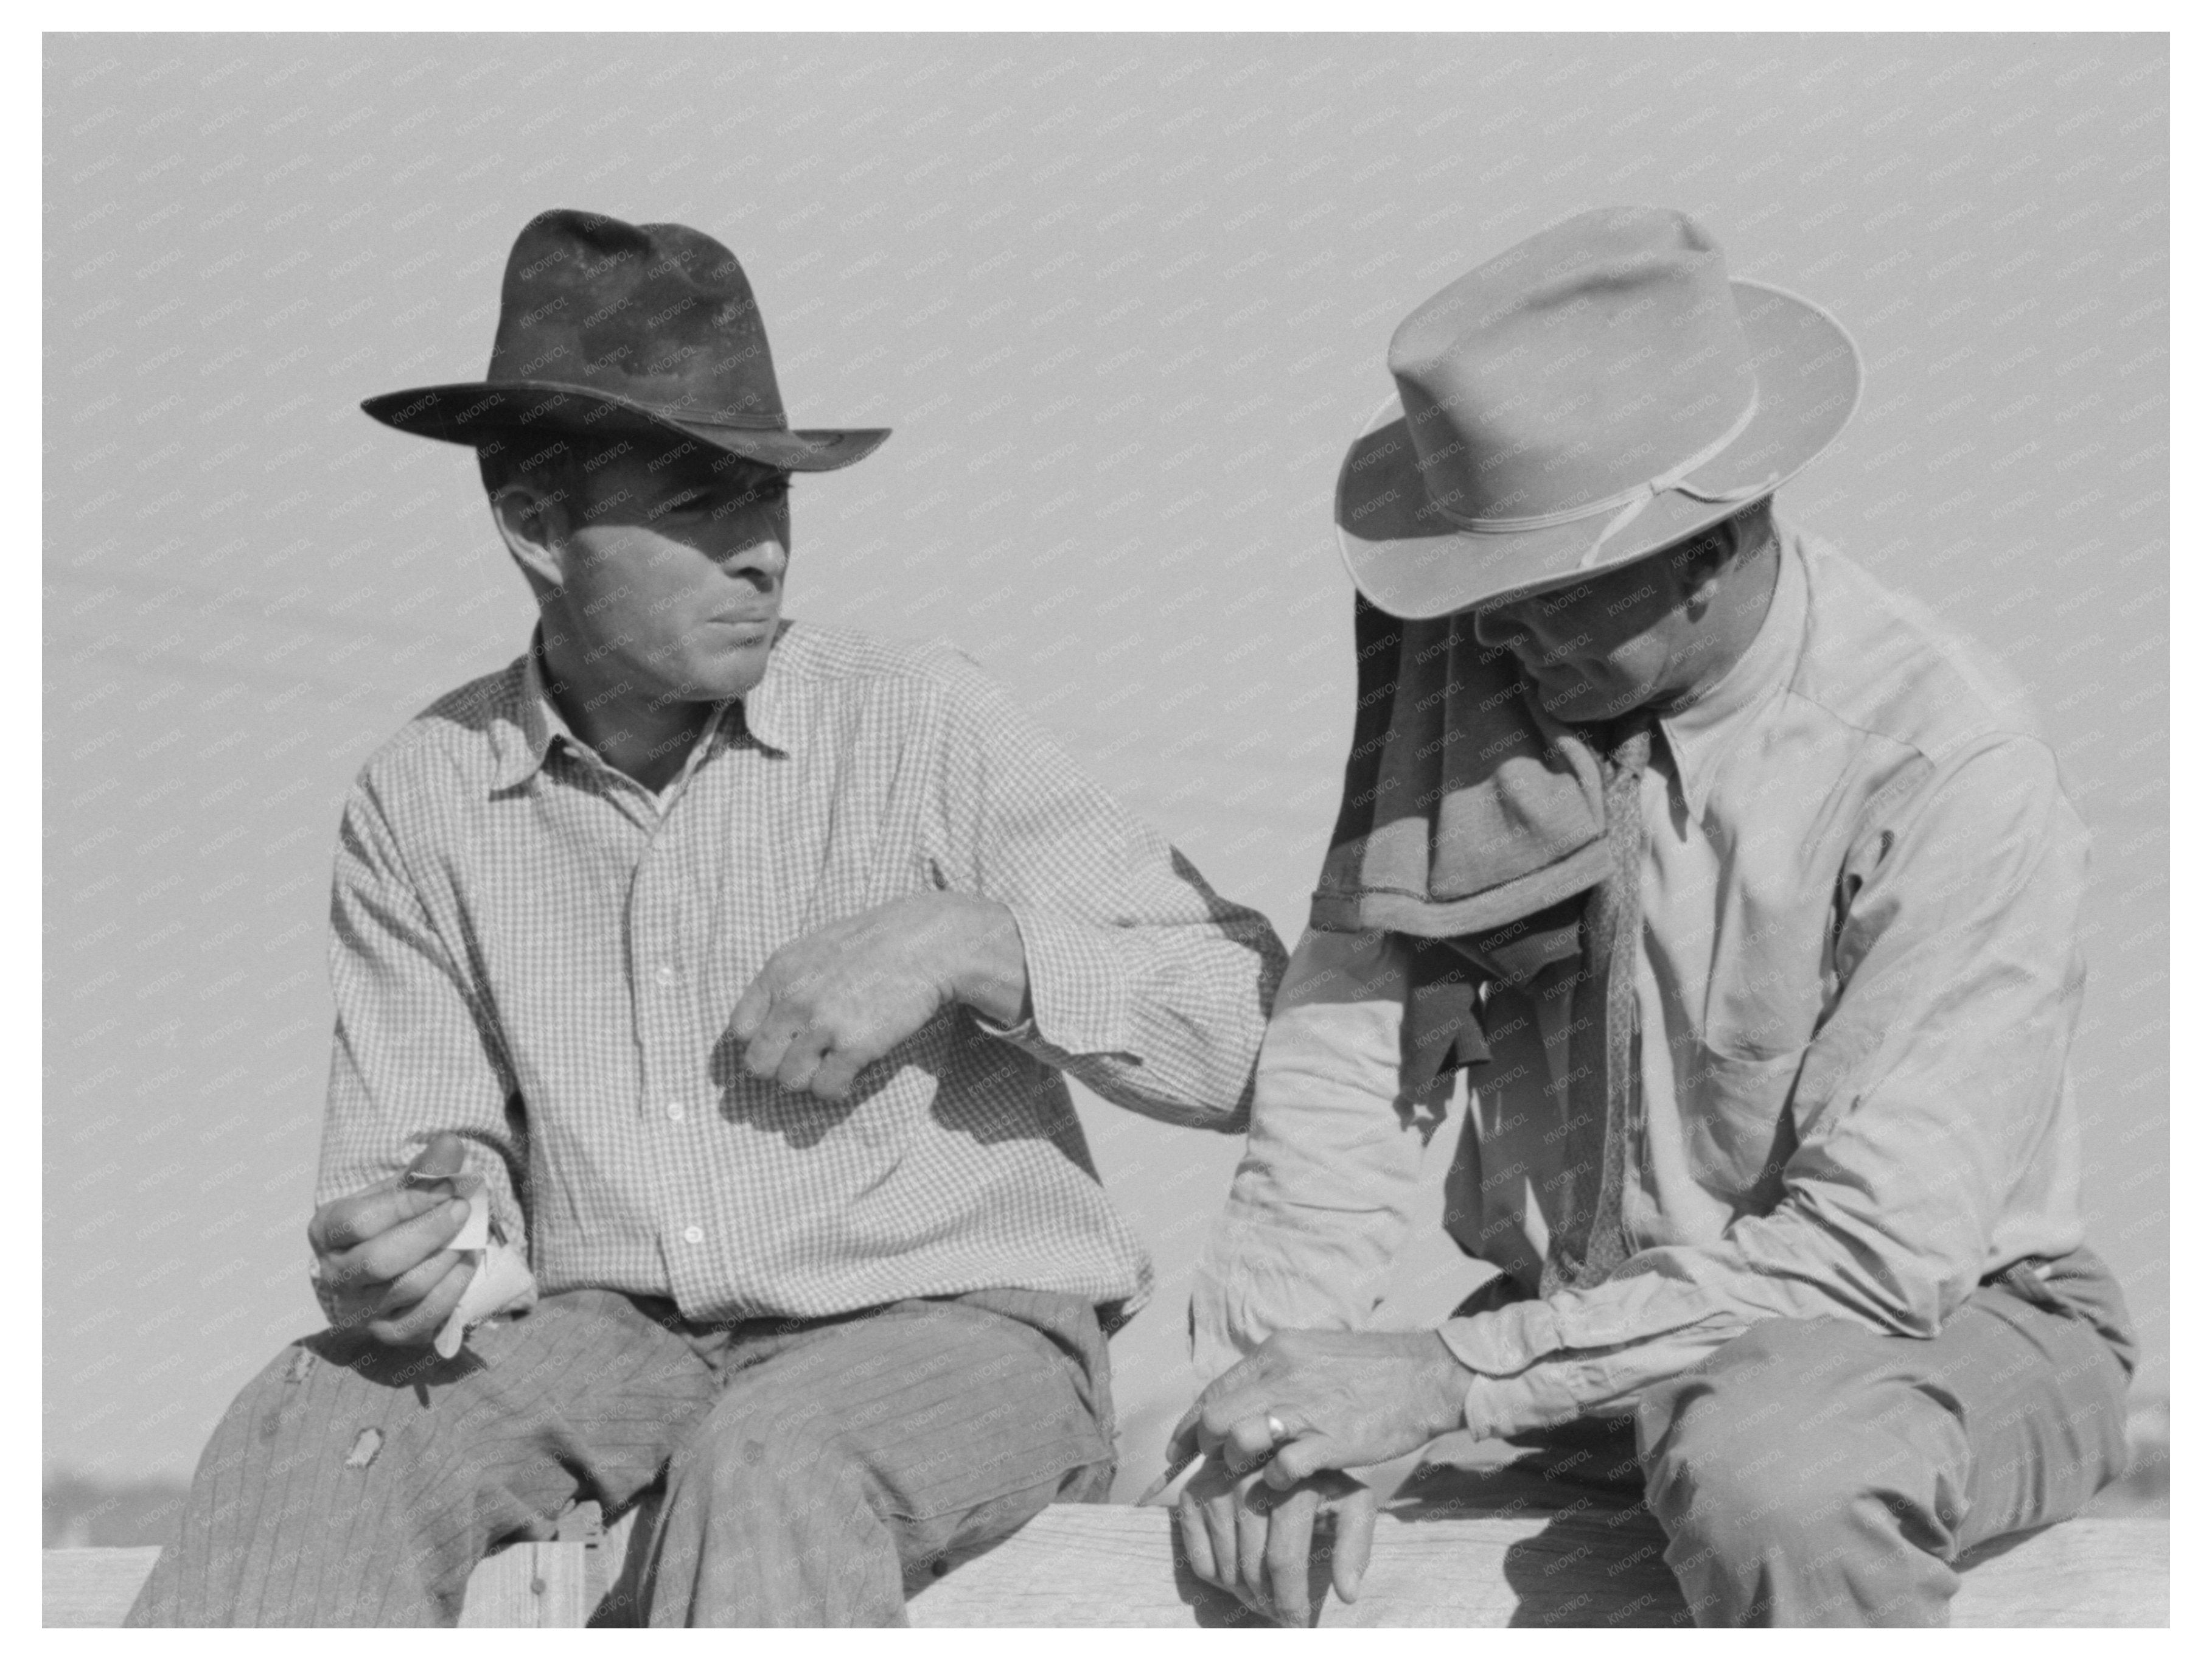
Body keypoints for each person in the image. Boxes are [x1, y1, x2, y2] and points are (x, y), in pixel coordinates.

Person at [128, 208, 1285, 1628]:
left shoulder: (920, 719)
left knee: (772, 1462)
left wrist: (964, 941)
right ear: (535, 525)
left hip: (957, 1329)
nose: (762, 555)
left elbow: (1247, 1034)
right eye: (696, 504)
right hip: (605, 1340)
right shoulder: (422, 796)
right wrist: (415, 1234)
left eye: (774, 497)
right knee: (321, 1411)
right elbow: (431, 1168)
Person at [1167, 206, 2136, 1628]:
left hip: (1927, 1318)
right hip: (1580, 1327)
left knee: (1777, 1471)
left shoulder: (1944, 767)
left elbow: (1871, 1258)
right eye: (1471, 586)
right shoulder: (1475, 678)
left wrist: (1444, 1377)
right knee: (1196, 1489)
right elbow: (1348, 1065)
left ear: (1709, 547)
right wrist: (1271, 1400)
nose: (1487, 632)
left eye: (1535, 592)